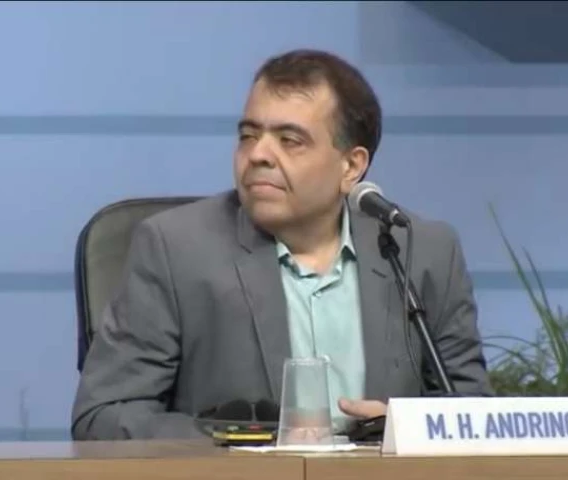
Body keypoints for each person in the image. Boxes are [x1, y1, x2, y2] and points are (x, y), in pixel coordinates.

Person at [71, 49, 493, 440]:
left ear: (351, 166)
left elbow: (474, 417)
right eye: (248, 135)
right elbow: (102, 417)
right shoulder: (175, 249)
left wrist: (401, 429)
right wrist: (245, 438)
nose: (259, 155)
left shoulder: (422, 252)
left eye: (289, 140)